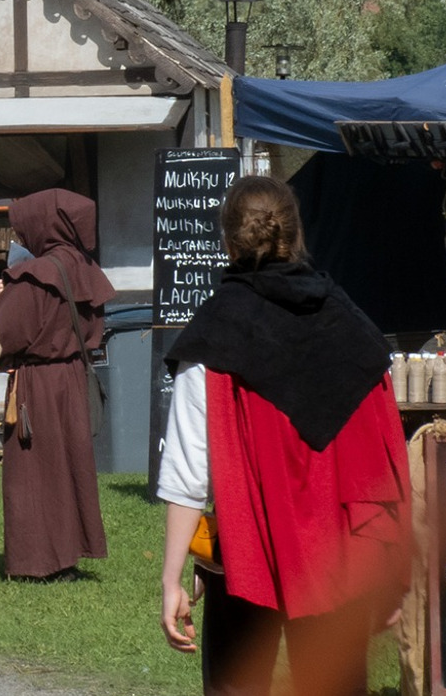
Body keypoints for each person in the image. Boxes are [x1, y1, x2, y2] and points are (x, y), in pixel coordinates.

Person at [157, 176, 410, 695]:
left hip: (245, 552)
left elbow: (189, 473)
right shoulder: (352, 330)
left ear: (227, 242)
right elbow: (381, 458)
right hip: (335, 557)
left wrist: (172, 578)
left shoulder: (215, 335)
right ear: (297, 237)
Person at [0, 189, 114, 579]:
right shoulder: (84, 268)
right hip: (72, 378)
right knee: (70, 466)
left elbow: (3, 335)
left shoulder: (35, 276)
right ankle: (68, 557)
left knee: (33, 469)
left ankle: (36, 562)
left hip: (38, 384)